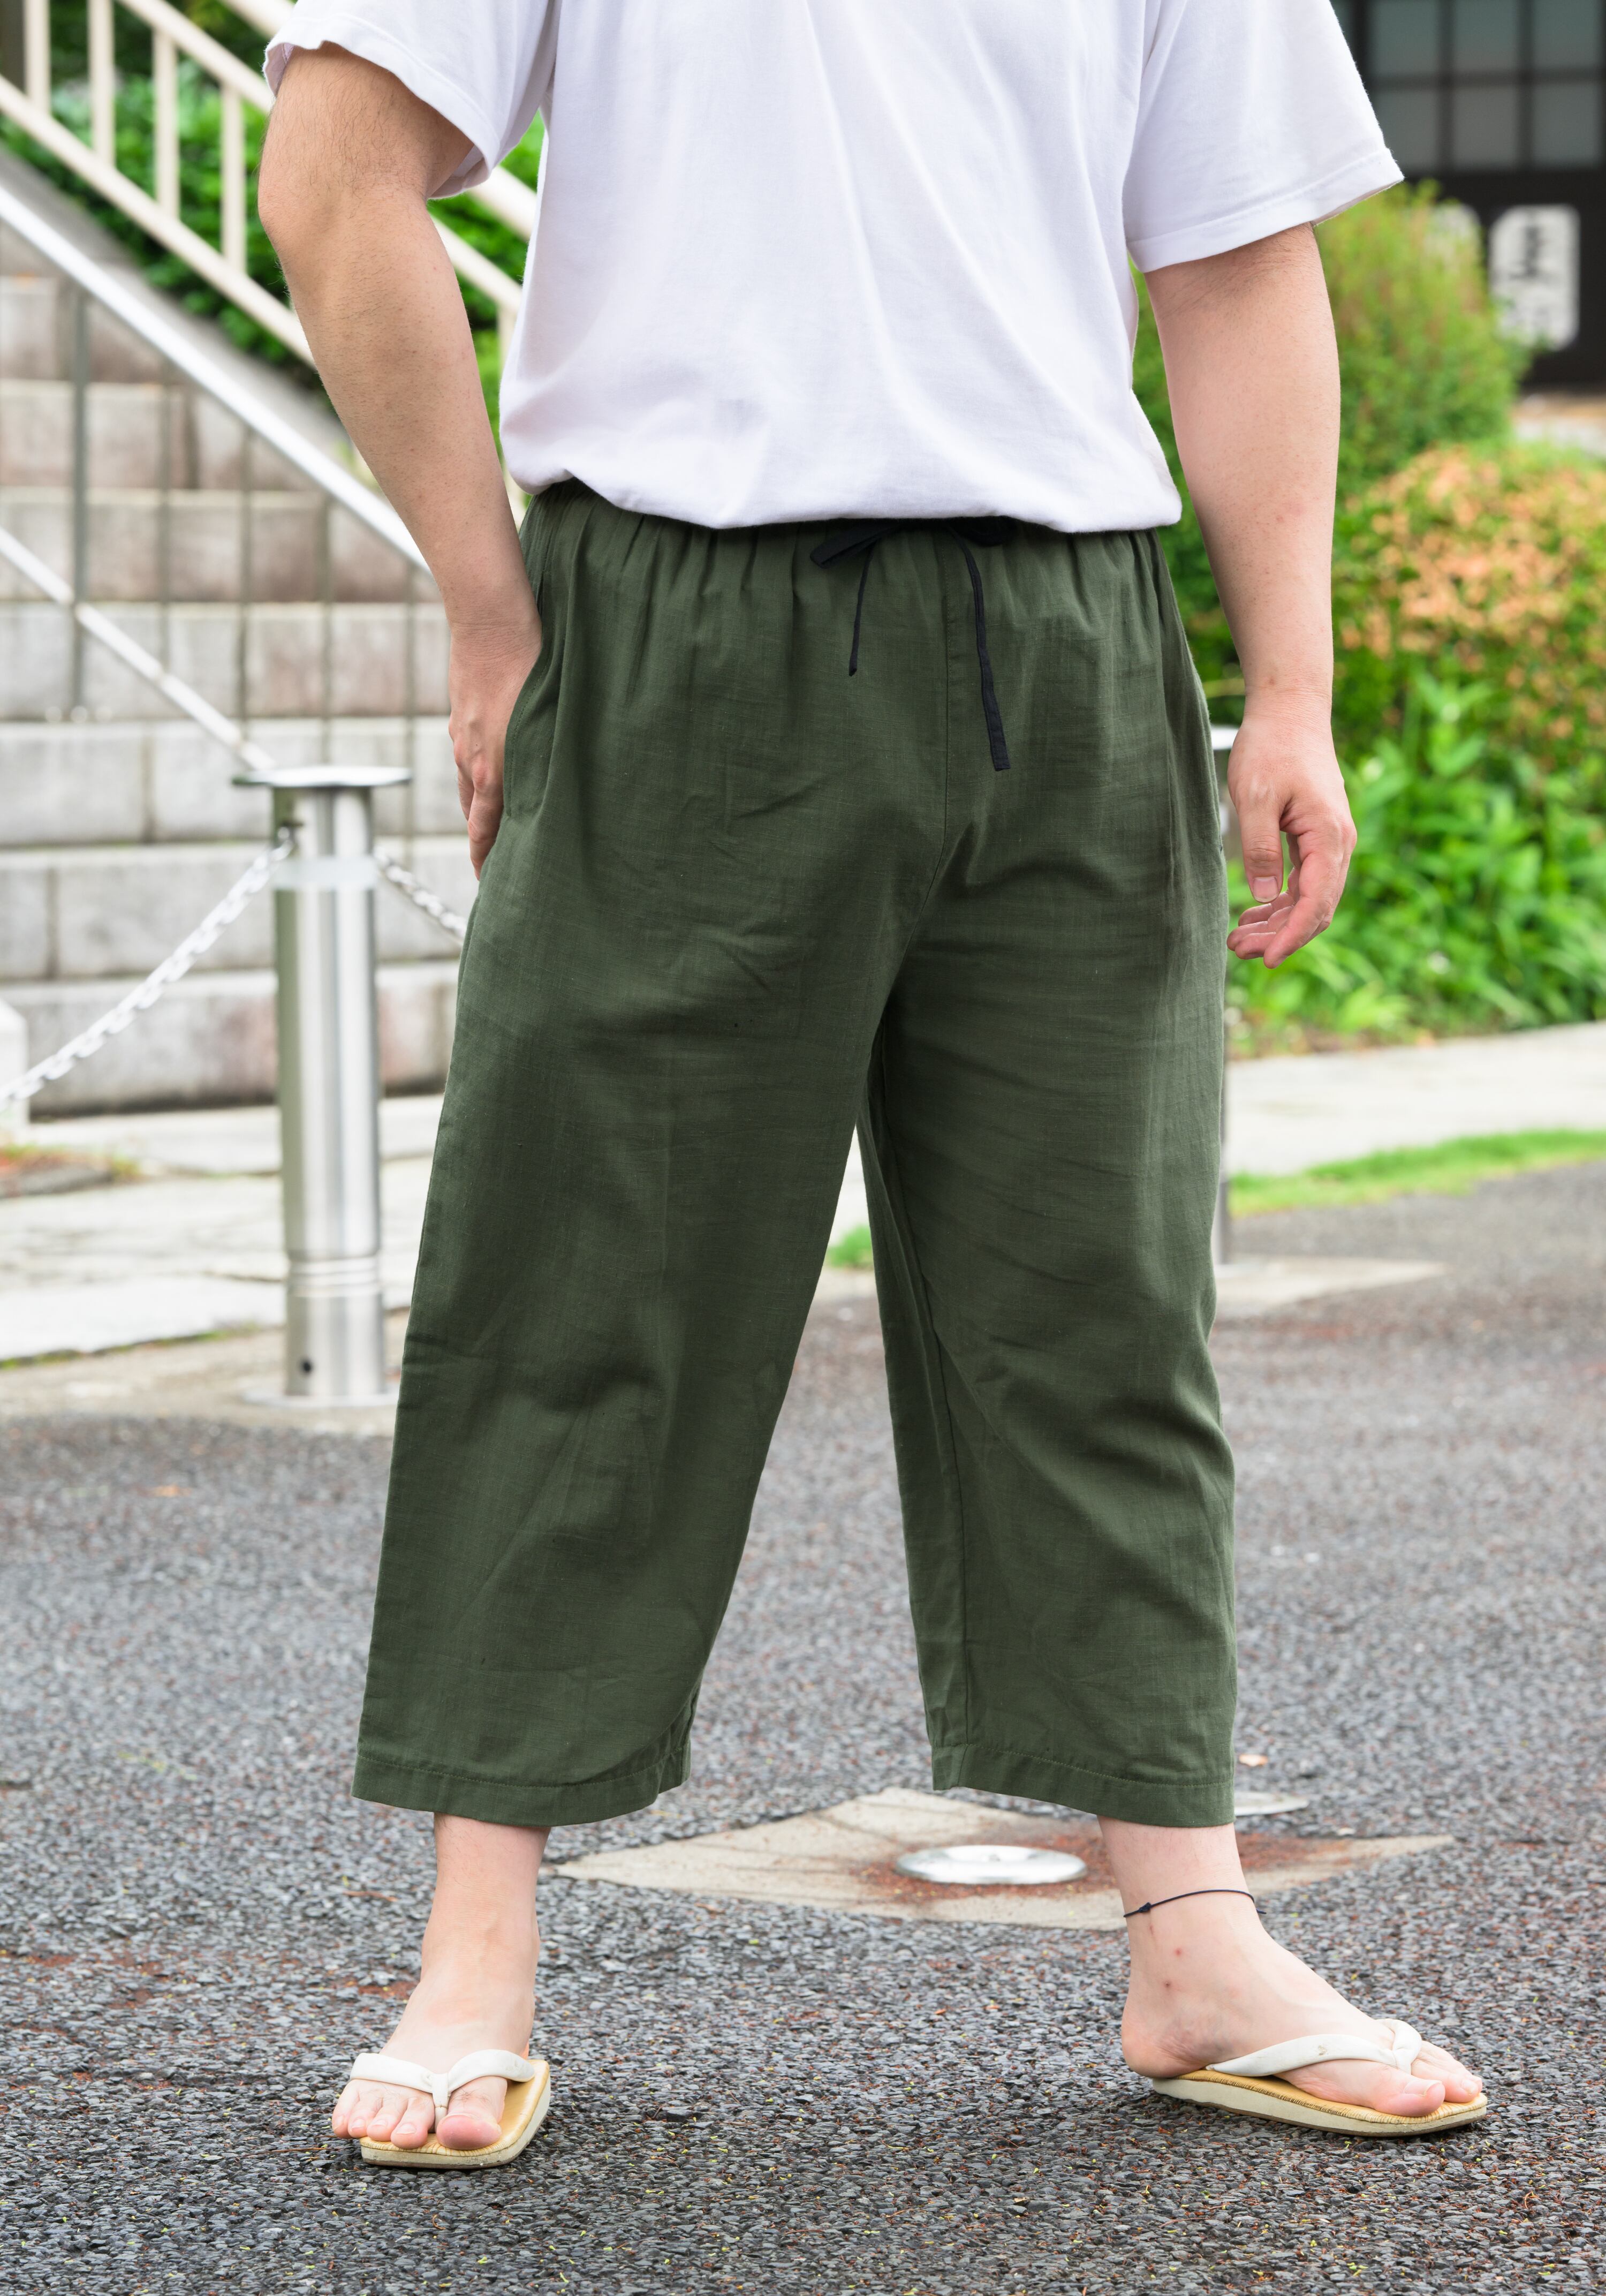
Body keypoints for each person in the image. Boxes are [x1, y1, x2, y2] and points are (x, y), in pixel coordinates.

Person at [258, 0, 1485, 2164]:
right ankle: (474, 1959)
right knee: (581, 1285)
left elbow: (1236, 258)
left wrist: (1289, 685)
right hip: (686, 613)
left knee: (1106, 1306)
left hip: (1073, 637)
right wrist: (492, 608)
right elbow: (335, 164)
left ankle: (1195, 1939)